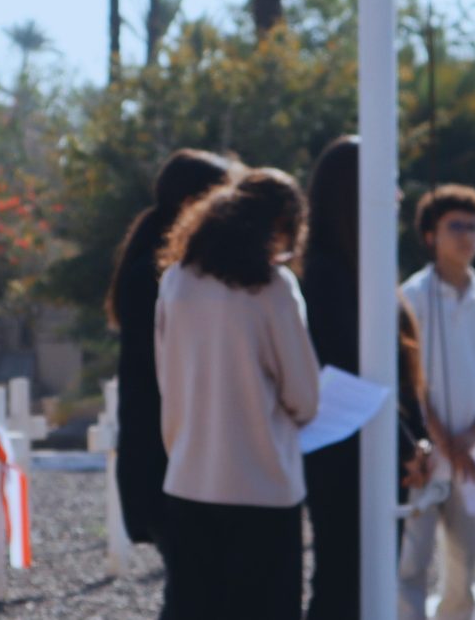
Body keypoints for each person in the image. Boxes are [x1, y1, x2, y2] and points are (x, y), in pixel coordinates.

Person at [154, 169, 319, 620]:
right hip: (264, 485)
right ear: (280, 224)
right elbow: (304, 397)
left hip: (190, 477)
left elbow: (167, 379)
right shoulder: (274, 287)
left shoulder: (176, 281)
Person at [301, 135, 432, 620]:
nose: (398, 197)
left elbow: (399, 371)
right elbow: (349, 373)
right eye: (388, 183)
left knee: (374, 584)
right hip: (343, 456)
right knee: (342, 584)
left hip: (386, 451)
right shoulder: (325, 274)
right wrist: (406, 446)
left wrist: (419, 441)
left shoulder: (372, 272)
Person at [106, 149, 234, 616]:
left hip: (169, 457)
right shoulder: (160, 276)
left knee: (196, 590)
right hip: (166, 459)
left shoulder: (164, 269)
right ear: (191, 202)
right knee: (193, 595)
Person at [399, 184, 475, 620]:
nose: (466, 236)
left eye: (474, 227)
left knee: (464, 574)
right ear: (430, 234)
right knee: (410, 567)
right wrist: (441, 439)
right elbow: (410, 379)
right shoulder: (412, 296)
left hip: (473, 456)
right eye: (455, 225)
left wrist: (473, 435)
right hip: (424, 455)